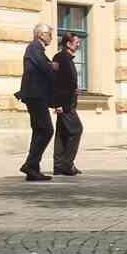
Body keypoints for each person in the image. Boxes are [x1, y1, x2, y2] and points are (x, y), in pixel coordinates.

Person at [17, 23, 56, 181]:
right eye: (49, 34)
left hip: (36, 96)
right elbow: (44, 67)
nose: (51, 37)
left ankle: (32, 168)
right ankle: (30, 165)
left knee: (40, 130)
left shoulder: (36, 49)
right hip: (35, 96)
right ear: (41, 35)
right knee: (46, 130)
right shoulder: (34, 48)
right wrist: (52, 66)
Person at [51, 32, 84, 176]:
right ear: (68, 44)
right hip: (64, 104)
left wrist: (74, 90)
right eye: (76, 41)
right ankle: (67, 164)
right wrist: (57, 104)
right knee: (76, 130)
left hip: (67, 101)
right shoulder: (61, 58)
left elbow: (67, 81)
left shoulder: (66, 58)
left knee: (62, 133)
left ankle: (59, 166)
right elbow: (56, 83)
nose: (79, 44)